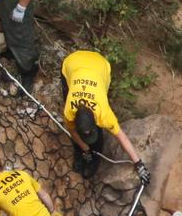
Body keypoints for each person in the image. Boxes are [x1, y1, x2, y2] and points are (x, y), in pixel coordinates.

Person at [60, 49, 151, 184]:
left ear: (96, 119)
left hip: (100, 65)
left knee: (101, 93)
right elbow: (72, 130)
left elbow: (122, 137)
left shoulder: (104, 113)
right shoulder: (69, 111)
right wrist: (85, 149)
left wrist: (139, 164)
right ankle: (82, 150)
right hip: (72, 63)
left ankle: (95, 152)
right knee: (81, 141)